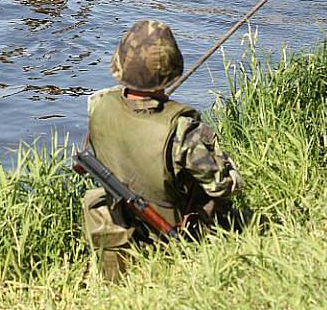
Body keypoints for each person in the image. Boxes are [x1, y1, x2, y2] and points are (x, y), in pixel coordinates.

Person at [82, 19, 243, 281]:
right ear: (172, 69)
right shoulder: (183, 130)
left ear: (119, 64)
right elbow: (223, 186)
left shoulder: (98, 105)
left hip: (122, 219)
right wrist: (231, 167)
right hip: (173, 229)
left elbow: (123, 103)